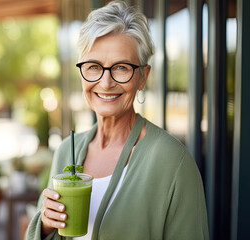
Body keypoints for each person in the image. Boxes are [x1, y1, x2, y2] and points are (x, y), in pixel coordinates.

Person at [26, 1, 209, 239]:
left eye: (121, 68)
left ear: (143, 77)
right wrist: (46, 226)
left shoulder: (173, 163)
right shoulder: (66, 152)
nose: (105, 83)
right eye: (93, 66)